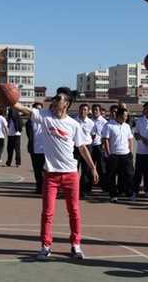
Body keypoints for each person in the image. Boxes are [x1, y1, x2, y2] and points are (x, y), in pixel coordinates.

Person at [10, 89, 99, 260]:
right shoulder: (44, 116)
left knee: (74, 211)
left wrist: (93, 167)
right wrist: (10, 99)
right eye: (55, 97)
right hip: (51, 175)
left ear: (66, 104)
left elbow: (81, 148)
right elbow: (24, 109)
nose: (54, 100)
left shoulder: (73, 125)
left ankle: (75, 245)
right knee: (47, 213)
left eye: (58, 98)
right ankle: (45, 246)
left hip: (71, 174)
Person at [102, 107, 134, 203]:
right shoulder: (109, 125)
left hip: (126, 154)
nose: (126, 117)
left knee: (129, 174)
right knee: (112, 176)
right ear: (119, 115)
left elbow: (130, 139)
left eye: (127, 115)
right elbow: (106, 140)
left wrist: (130, 151)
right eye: (124, 115)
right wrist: (109, 153)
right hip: (114, 155)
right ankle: (113, 195)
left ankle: (128, 192)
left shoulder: (127, 126)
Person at [73, 103, 95, 198]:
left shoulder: (91, 123)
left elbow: (93, 135)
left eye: (85, 110)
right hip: (75, 148)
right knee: (74, 170)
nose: (83, 111)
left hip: (87, 147)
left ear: (88, 111)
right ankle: (73, 191)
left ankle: (83, 191)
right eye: (81, 109)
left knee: (86, 171)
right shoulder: (73, 121)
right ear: (79, 110)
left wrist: (87, 143)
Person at [25, 102, 46, 194]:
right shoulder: (29, 122)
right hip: (34, 148)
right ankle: (39, 187)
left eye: (40, 109)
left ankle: (46, 187)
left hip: (45, 149)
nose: (38, 110)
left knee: (45, 170)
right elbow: (29, 135)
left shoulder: (46, 121)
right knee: (36, 169)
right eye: (36, 109)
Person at [90, 104, 108, 190]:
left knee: (102, 166)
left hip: (100, 146)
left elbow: (106, 136)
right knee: (89, 166)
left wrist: (104, 145)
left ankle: (103, 185)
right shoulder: (89, 121)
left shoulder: (104, 122)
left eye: (97, 110)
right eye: (93, 110)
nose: (95, 111)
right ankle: (88, 185)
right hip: (90, 146)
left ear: (100, 111)